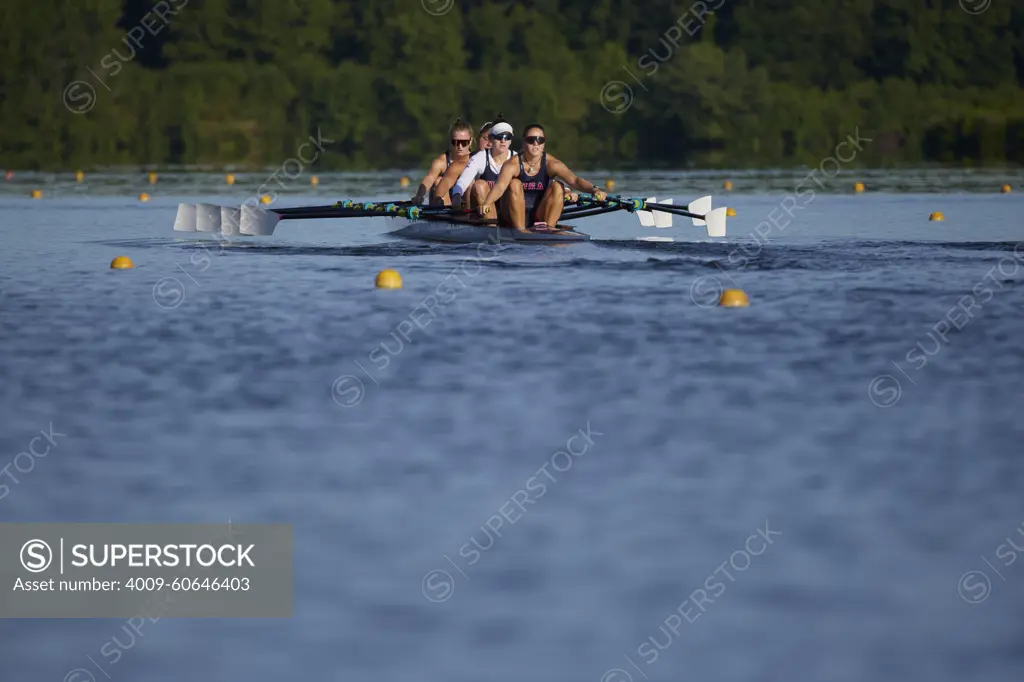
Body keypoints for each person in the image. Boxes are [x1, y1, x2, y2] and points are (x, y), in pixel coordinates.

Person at [477, 124, 607, 230]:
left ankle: (548, 229)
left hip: (538, 213)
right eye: (531, 140)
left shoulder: (552, 164)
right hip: (511, 214)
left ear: (544, 144)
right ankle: (521, 231)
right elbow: (500, 187)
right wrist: (487, 202)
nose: (536, 144)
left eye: (540, 140)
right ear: (524, 142)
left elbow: (575, 180)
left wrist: (595, 190)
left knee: (558, 186)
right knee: (514, 184)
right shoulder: (512, 164)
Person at [445, 117, 517, 210]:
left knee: (515, 184)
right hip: (486, 208)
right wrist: (456, 196)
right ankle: (485, 222)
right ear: (491, 139)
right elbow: (462, 182)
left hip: (508, 209)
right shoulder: (479, 158)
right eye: (499, 137)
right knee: (479, 185)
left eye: (507, 137)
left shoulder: (517, 158)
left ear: (511, 140)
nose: (503, 141)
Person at [411, 118, 474, 205]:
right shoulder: (441, 162)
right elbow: (429, 179)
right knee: (438, 181)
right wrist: (419, 196)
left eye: (464, 142)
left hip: (467, 203)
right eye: (455, 142)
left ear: (470, 141)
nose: (459, 146)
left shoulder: (477, 159)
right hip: (444, 203)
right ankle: (442, 212)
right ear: (450, 141)